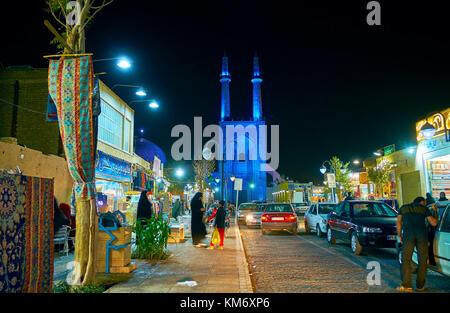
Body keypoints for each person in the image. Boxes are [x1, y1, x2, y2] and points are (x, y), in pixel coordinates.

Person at [397, 196, 438, 292]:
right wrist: (435, 212)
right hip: (421, 236)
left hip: (408, 235)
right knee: (423, 260)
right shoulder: (424, 208)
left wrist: (400, 235)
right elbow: (434, 223)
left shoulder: (403, 208)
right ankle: (420, 286)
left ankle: (407, 286)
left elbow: (398, 222)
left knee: (406, 260)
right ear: (421, 202)